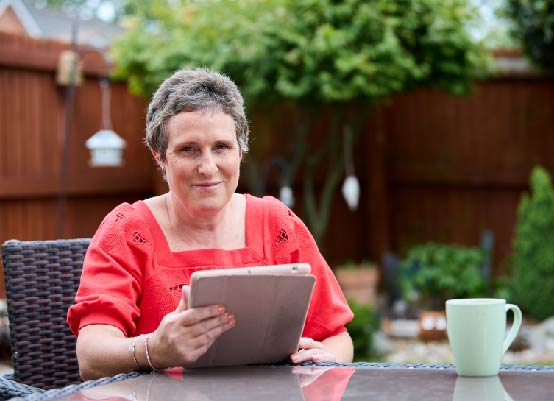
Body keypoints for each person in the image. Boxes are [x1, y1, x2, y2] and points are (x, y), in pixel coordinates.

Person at [67, 68, 354, 380]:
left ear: (240, 150)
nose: (207, 167)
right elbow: (91, 356)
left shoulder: (277, 224)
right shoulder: (127, 230)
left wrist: (324, 360)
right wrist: (154, 350)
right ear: (160, 156)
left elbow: (337, 336)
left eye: (221, 147)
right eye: (188, 149)